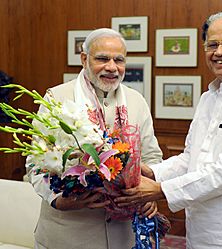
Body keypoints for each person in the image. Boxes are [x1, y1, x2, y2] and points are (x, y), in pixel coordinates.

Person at [115, 11, 222, 248]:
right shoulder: (209, 97)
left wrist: (160, 190)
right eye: (212, 45)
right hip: (202, 232)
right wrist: (152, 172)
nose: (219, 52)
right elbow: (191, 158)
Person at [26, 28, 162, 249]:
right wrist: (60, 201)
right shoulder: (56, 98)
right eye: (102, 58)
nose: (111, 67)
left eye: (119, 60)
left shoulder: (137, 101)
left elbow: (152, 156)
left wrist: (149, 192)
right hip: (67, 234)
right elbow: (35, 164)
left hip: (123, 235)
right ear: (84, 59)